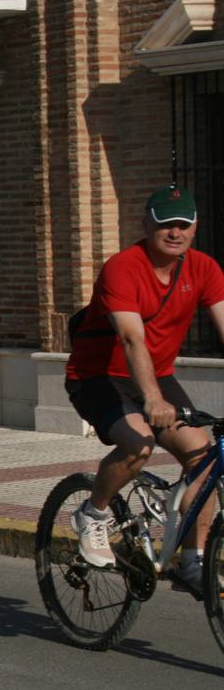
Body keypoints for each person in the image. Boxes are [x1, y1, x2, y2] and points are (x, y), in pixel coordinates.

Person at [65, 185, 224, 594]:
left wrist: (157, 391)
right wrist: (152, 399)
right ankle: (93, 513)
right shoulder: (123, 267)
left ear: (195, 227)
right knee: (140, 443)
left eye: (182, 224)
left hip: (157, 374)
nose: (174, 232)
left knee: (205, 460)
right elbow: (132, 338)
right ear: (145, 224)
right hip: (98, 376)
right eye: (164, 223)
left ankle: (193, 562)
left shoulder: (205, 269)